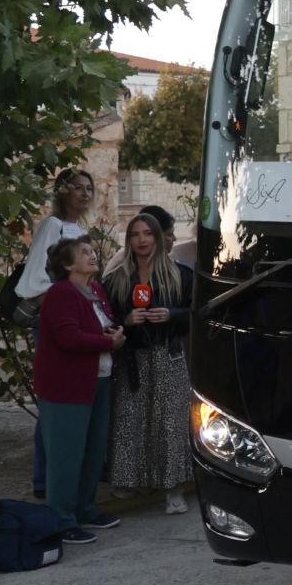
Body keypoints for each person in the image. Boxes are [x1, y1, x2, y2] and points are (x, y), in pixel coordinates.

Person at [32, 237, 124, 545]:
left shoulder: (95, 290)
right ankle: (61, 518)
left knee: (93, 450)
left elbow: (102, 324)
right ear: (68, 264)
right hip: (65, 386)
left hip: (98, 380)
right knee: (65, 454)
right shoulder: (60, 293)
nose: (92, 256)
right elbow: (68, 337)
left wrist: (114, 332)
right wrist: (107, 342)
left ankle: (86, 508)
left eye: (91, 252)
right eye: (84, 253)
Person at [103, 211, 195, 513]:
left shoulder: (181, 275)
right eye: (135, 234)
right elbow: (106, 321)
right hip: (133, 357)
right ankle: (128, 480)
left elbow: (198, 314)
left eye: (147, 234)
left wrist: (173, 315)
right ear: (129, 240)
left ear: (157, 237)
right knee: (130, 419)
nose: (141, 240)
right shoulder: (117, 280)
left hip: (168, 354)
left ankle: (173, 488)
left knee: (170, 422)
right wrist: (126, 320)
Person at [17, 168, 94, 499]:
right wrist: (63, 305)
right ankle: (43, 481)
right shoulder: (53, 226)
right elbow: (33, 279)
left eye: (88, 188)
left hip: (76, 322)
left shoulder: (81, 228)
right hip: (56, 324)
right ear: (62, 191)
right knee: (54, 405)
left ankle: (64, 478)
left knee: (68, 404)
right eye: (77, 188)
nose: (84, 193)